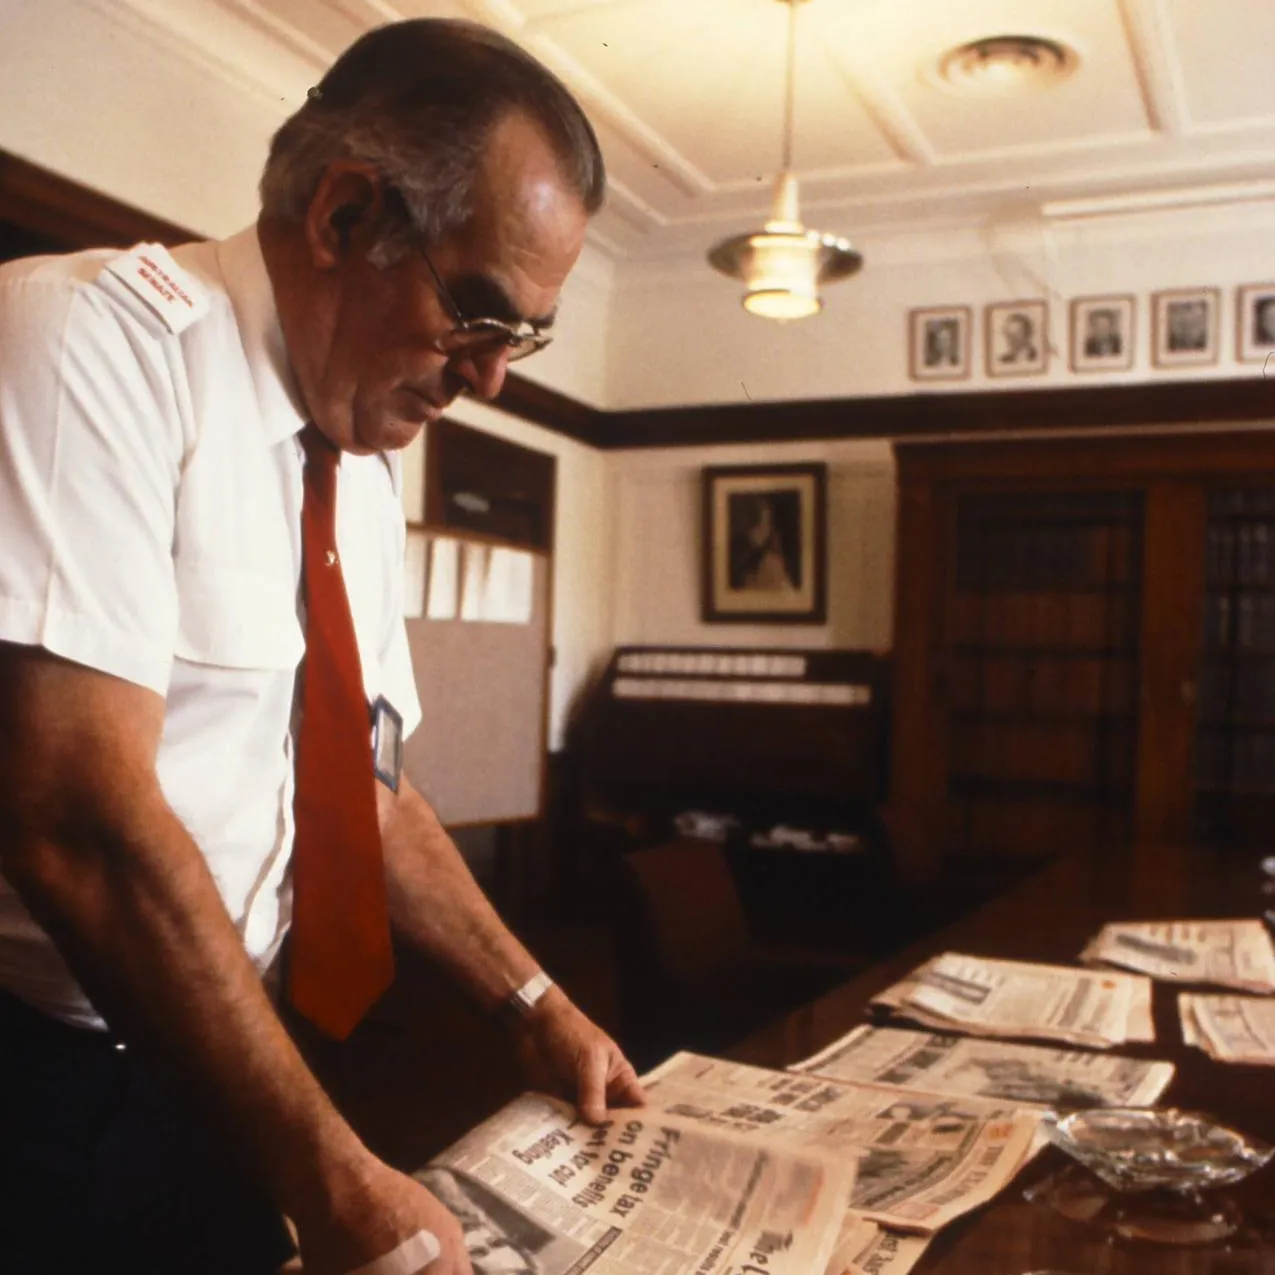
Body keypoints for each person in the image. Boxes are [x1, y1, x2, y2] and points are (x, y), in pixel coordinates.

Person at [0, 18, 643, 1275]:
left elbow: (367, 783)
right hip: (39, 1079)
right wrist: (336, 1174)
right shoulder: (91, 342)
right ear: (346, 218)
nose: (495, 379)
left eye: (527, 340)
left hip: (222, 1052)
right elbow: (77, 816)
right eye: (478, 314)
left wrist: (533, 1004)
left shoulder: (352, 455)